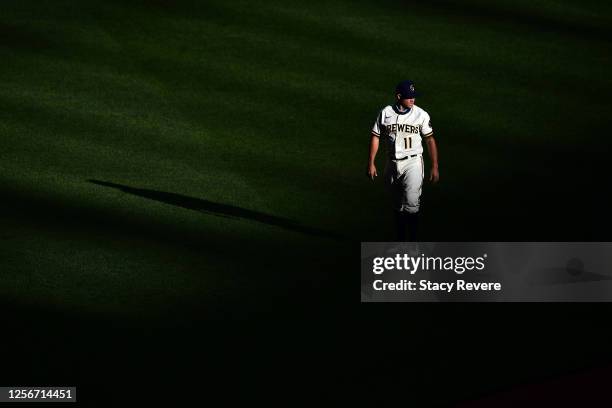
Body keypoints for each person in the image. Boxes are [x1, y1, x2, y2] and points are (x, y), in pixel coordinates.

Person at [367, 80, 439, 241]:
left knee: (412, 204)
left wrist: (434, 166)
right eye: (409, 97)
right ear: (399, 96)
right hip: (391, 163)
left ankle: (413, 245)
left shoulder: (421, 114)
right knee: (397, 206)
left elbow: (430, 140)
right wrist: (371, 162)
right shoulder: (385, 112)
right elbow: (375, 137)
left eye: (414, 96)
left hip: (413, 163)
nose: (413, 99)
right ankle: (400, 244)